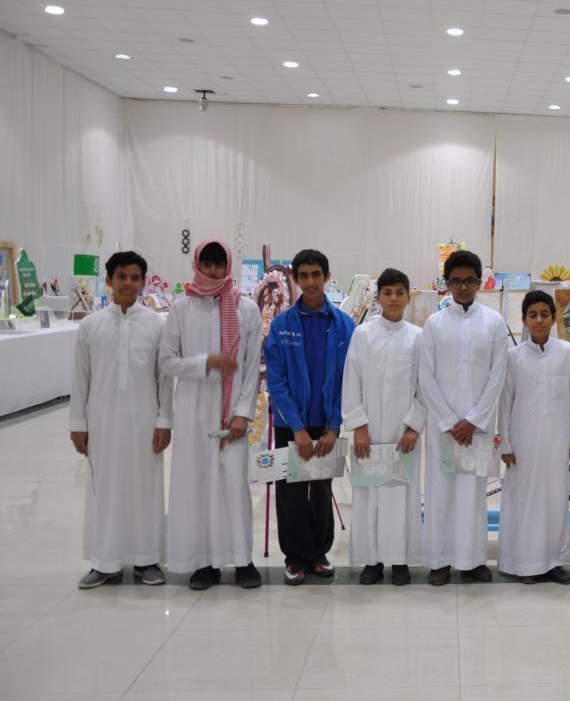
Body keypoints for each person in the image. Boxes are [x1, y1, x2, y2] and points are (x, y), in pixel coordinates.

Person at [160, 240, 264, 590]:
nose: (214, 272)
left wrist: (242, 414)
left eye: (220, 265)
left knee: (234, 485)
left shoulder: (246, 309)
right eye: (208, 265)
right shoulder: (181, 308)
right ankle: (204, 562)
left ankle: (242, 560)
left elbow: (250, 367)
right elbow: (167, 362)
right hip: (193, 414)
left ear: (228, 266)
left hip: (233, 414)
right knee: (198, 486)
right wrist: (206, 363)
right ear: (198, 265)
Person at [69, 251, 173, 589]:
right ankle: (105, 562)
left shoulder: (157, 325)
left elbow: (164, 379)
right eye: (122, 277)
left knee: (146, 490)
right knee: (105, 490)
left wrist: (164, 420)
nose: (128, 283)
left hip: (145, 421)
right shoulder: (91, 326)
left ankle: (147, 560)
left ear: (143, 283)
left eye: (134, 278)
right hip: (102, 422)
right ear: (109, 281)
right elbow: (80, 379)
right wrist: (78, 424)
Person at [264, 249, 355, 586]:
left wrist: (333, 426)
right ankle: (295, 557)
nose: (311, 281)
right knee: (290, 492)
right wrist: (298, 428)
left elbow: (349, 380)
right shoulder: (282, 325)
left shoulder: (345, 326)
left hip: (326, 424)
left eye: (316, 274)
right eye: (304, 275)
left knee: (320, 489)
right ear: (296, 279)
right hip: (290, 424)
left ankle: (318, 554)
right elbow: (276, 380)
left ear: (327, 276)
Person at [418, 249, 509, 586]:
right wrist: (448, 420)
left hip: (477, 428)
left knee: (473, 494)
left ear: (480, 282)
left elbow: (497, 375)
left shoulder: (494, 323)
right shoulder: (434, 324)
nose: (463, 287)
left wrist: (474, 420)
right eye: (456, 281)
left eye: (469, 280)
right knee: (440, 493)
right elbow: (425, 376)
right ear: (446, 284)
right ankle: (439, 561)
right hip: (442, 428)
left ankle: (471, 561)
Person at [342, 269, 425, 586]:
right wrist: (359, 426)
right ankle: (372, 560)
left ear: (408, 297)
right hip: (371, 433)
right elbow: (351, 381)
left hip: (404, 434)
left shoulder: (418, 338)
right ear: (379, 297)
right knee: (369, 495)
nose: (393, 298)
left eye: (399, 292)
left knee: (402, 496)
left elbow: (425, 386)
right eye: (387, 292)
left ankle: (400, 560)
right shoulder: (363, 335)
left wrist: (414, 426)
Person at [497, 291, 570, 585]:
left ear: (553, 318)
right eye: (532, 315)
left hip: (557, 442)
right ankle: (525, 564)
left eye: (544, 315)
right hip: (522, 443)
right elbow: (505, 402)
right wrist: (505, 443)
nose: (539, 320)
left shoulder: (567, 353)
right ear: (524, 320)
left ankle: (555, 562)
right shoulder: (514, 357)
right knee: (524, 501)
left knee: (555, 501)